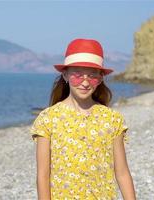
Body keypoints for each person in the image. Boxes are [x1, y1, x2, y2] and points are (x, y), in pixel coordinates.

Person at [30, 38, 136, 199]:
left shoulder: (113, 120)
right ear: (65, 75)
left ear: (100, 79)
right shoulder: (47, 119)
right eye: (78, 75)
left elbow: (122, 173)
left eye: (92, 76)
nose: (85, 83)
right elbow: (43, 176)